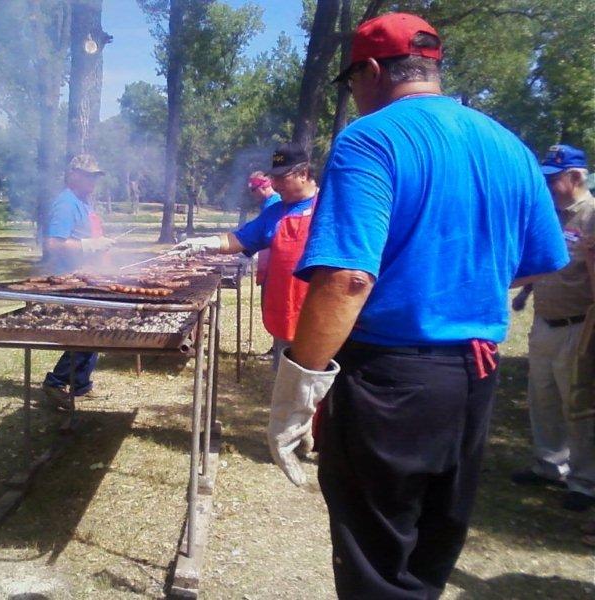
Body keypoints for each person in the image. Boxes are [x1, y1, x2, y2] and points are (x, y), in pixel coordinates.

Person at [265, 13, 568, 600]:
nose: (355, 94)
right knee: (431, 548)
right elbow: (541, 257)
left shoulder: (370, 138)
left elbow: (348, 279)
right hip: (475, 376)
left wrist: (297, 387)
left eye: (352, 81)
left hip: (391, 380)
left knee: (378, 562)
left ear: (371, 71)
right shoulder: (509, 144)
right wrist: (456, 279)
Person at [175, 143, 318, 371]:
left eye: (281, 178)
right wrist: (203, 243)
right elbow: (239, 239)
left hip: (319, 315)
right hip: (287, 312)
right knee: (285, 379)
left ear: (303, 173)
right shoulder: (274, 212)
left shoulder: (329, 206)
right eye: (274, 178)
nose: (275, 185)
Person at [511, 144, 595, 511]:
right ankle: (549, 464)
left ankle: (584, 481)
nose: (547, 185)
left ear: (576, 177)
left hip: (579, 326)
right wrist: (524, 293)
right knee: (542, 396)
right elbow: (546, 260)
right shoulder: (553, 215)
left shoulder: (591, 216)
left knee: (577, 403)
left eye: (554, 178)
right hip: (545, 321)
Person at [41, 154, 115, 407]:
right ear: (73, 175)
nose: (93, 180)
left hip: (88, 276)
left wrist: (99, 247)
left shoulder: (83, 202)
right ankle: (55, 382)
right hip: (71, 279)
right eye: (88, 175)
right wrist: (88, 245)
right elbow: (53, 244)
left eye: (95, 176)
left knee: (95, 329)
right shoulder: (66, 203)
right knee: (87, 332)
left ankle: (81, 384)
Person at [247, 171, 281, 360]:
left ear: (263, 186)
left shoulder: (274, 203)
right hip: (269, 265)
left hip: (275, 268)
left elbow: (270, 236)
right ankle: (276, 348)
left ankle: (278, 350)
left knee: (275, 308)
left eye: (254, 190)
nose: (252, 194)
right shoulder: (269, 203)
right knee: (270, 307)